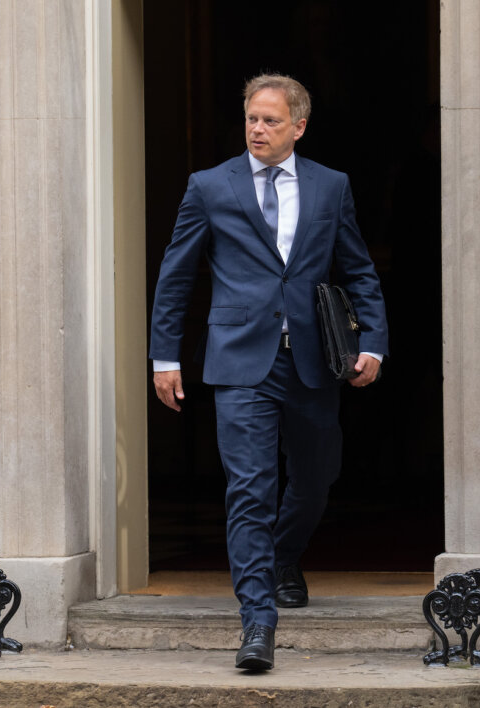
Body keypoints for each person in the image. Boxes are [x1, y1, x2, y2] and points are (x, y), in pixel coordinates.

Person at [149, 74, 388, 671]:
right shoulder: (209, 186)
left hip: (311, 360)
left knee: (315, 477)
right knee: (250, 490)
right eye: (252, 118)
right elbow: (176, 277)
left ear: (298, 126)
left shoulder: (332, 187)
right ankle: (258, 622)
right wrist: (165, 357)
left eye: (271, 121)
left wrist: (374, 343)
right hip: (238, 362)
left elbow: (358, 269)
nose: (257, 128)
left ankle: (284, 556)